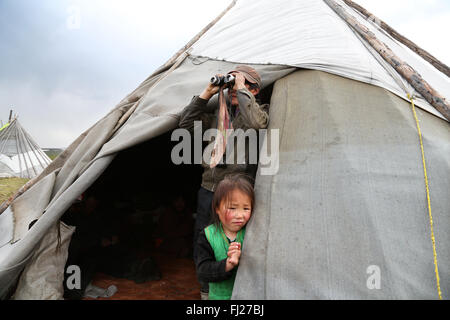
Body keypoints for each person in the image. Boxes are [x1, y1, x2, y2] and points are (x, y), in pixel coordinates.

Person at [178, 65, 268, 298]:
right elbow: (185, 125)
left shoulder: (260, 112)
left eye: (246, 84)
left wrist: (240, 88)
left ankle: (237, 289)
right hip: (209, 188)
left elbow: (258, 123)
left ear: (255, 90)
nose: (235, 90)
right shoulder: (219, 114)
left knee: (235, 239)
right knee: (206, 237)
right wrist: (208, 92)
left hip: (237, 192)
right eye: (233, 85)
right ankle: (206, 289)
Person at [194, 174, 254, 300]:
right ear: (217, 208)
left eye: (246, 208)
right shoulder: (208, 236)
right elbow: (203, 271)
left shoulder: (252, 233)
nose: (240, 215)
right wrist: (228, 265)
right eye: (232, 208)